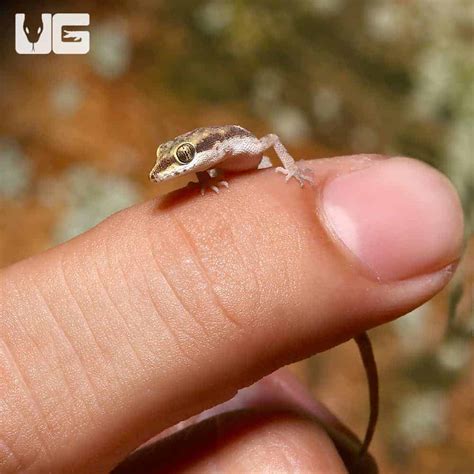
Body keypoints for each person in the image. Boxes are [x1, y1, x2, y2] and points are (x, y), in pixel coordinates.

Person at [0, 155, 464, 472]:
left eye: (179, 161)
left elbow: (264, 144)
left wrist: (289, 172)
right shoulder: (213, 164)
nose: (167, 173)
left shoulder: (235, 144)